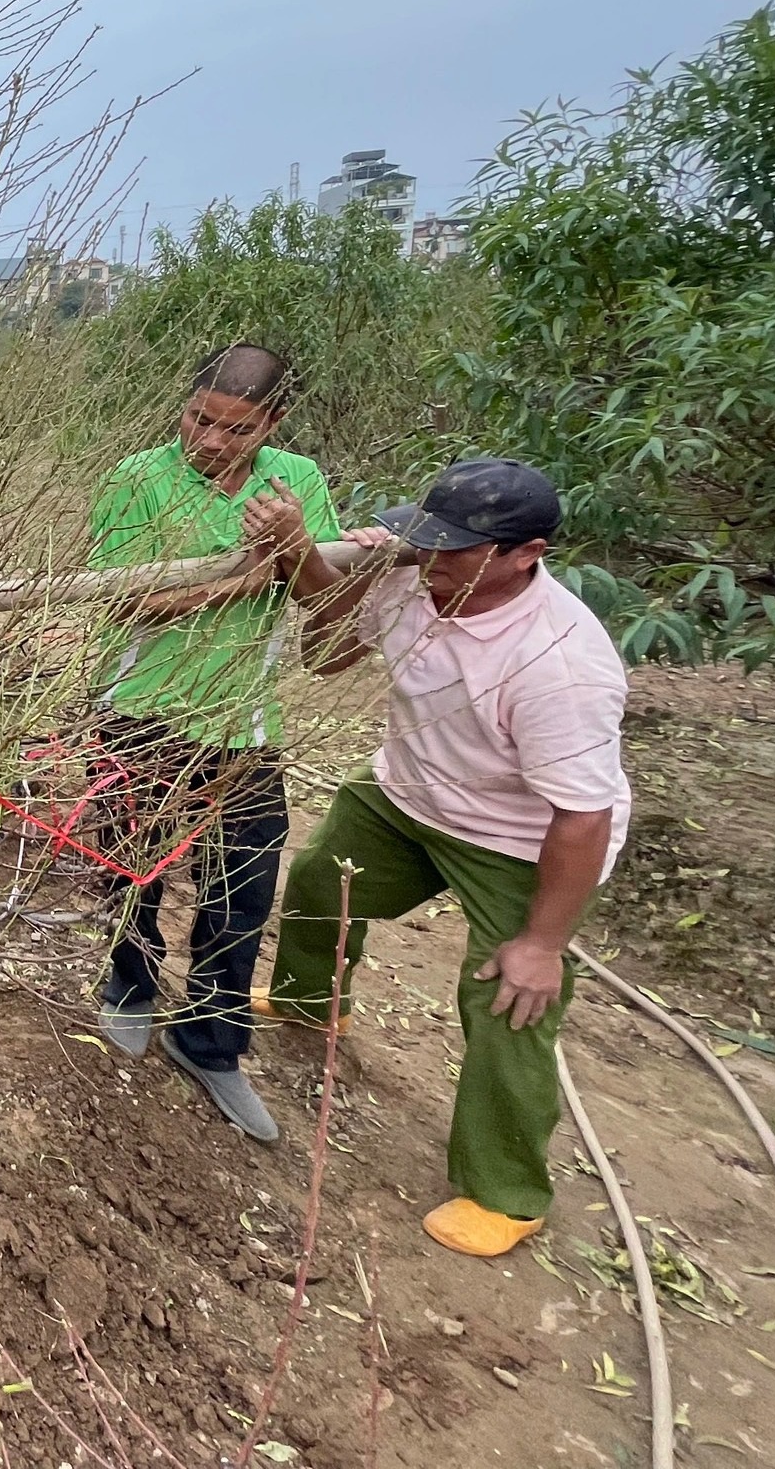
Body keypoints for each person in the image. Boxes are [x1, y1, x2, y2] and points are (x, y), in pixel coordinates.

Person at [250, 457, 629, 1258]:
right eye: (427, 538)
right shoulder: (414, 571)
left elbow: (583, 815)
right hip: (409, 794)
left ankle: (507, 1193)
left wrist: (542, 944)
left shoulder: (559, 664)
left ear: (526, 553)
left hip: (521, 840)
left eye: (458, 547)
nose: (434, 557)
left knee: (510, 999)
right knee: (319, 881)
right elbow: (328, 653)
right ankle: (310, 1004)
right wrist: (309, 558)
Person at [85, 343, 339, 1143]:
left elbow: (328, 616)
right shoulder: (137, 478)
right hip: (138, 713)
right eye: (200, 419)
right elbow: (124, 603)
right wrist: (243, 579)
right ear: (184, 403)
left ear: (273, 422)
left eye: (237, 428)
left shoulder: (298, 486)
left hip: (244, 728)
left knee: (241, 900)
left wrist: (295, 548)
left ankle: (212, 1046)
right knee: (132, 871)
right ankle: (129, 989)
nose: (211, 441)